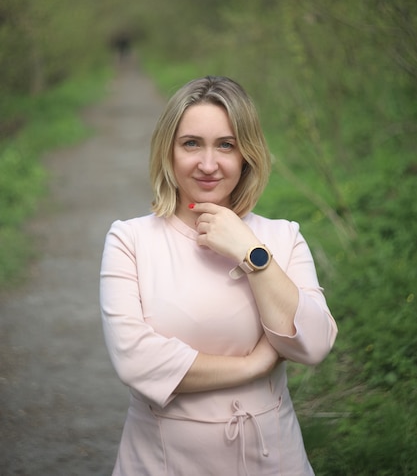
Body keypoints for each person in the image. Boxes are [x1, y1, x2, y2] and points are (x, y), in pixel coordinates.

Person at [100, 75, 338, 476]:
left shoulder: (281, 236)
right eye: (191, 143)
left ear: (247, 154)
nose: (208, 165)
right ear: (168, 151)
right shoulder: (131, 239)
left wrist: (250, 252)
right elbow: (136, 362)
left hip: (272, 460)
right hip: (160, 462)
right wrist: (254, 366)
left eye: (226, 145)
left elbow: (313, 345)